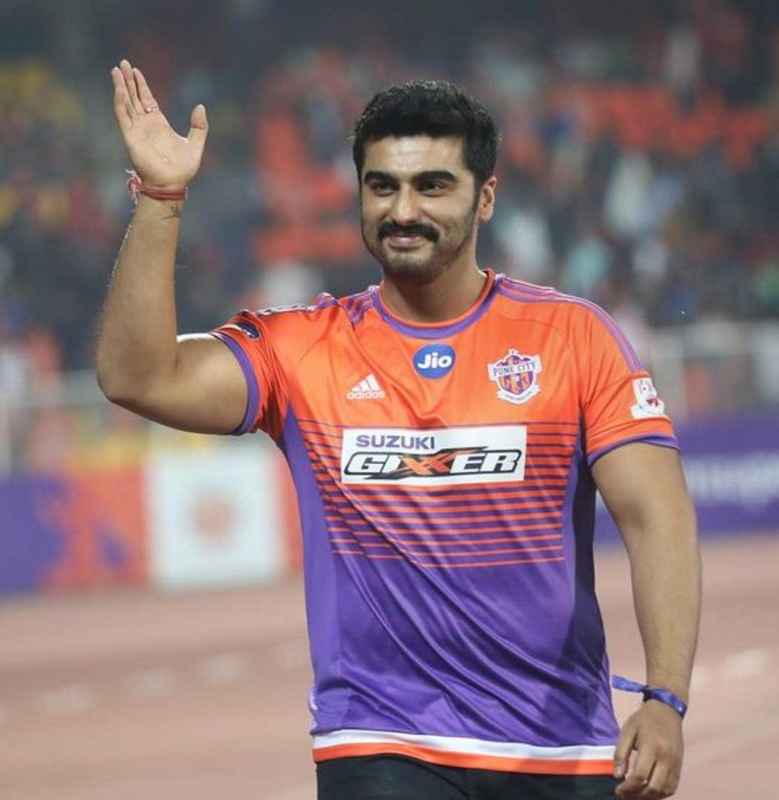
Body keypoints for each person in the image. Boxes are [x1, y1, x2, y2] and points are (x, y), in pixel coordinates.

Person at [97, 60, 701, 800]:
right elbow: (137, 377)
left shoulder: (574, 337)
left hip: (560, 749)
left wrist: (666, 697)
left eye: (432, 186)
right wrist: (161, 198)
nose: (403, 209)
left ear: (485, 198)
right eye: (382, 186)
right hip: (379, 742)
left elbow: (656, 516)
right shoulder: (303, 348)